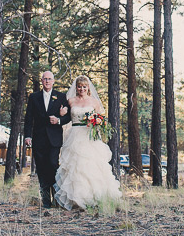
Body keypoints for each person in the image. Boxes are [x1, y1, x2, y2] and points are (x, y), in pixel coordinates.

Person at [53, 75, 121, 210]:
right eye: (79, 86)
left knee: (92, 166)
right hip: (75, 135)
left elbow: (101, 118)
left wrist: (98, 123)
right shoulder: (71, 101)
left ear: (88, 87)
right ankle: (77, 200)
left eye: (84, 87)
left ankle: (95, 198)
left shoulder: (94, 102)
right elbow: (66, 117)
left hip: (89, 136)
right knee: (75, 167)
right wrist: (61, 114)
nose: (82, 89)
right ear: (76, 88)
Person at [24, 71, 71, 208]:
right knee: (41, 168)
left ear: (53, 81)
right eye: (45, 79)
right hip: (38, 138)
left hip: (54, 139)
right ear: (41, 81)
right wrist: (27, 136)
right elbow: (29, 119)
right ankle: (45, 200)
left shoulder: (61, 97)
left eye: (49, 79)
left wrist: (59, 120)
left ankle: (56, 196)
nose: (47, 81)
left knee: (52, 165)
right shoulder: (34, 97)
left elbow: (68, 117)